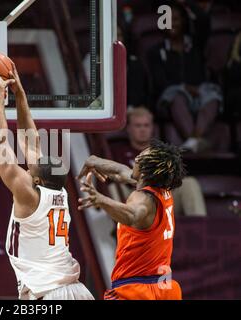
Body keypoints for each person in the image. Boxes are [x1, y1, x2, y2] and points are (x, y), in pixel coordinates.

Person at [0, 59, 93, 300]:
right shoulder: (58, 192)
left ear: (36, 180)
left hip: (49, 294)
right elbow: (31, 141)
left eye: (31, 169)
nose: (27, 166)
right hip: (77, 291)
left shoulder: (28, 195)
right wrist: (20, 95)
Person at [77, 139, 185, 300]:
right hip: (164, 287)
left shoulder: (142, 199)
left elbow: (133, 215)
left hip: (137, 290)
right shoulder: (161, 187)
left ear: (144, 171)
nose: (136, 158)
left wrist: (101, 200)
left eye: (139, 158)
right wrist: (94, 161)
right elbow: (122, 172)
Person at [147, 0, 222, 153]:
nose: (172, 23)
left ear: (184, 21)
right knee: (176, 95)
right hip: (173, 98)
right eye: (167, 19)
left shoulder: (195, 44)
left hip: (199, 94)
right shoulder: (156, 51)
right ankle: (195, 139)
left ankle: (193, 140)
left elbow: (204, 20)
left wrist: (187, 2)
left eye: (176, 19)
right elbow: (160, 83)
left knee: (213, 94)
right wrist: (184, 87)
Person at [111, 107, 207, 217]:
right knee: (113, 188)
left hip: (161, 199)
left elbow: (173, 178)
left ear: (152, 128)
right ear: (128, 128)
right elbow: (114, 177)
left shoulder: (163, 151)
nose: (142, 129)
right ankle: (118, 231)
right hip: (133, 201)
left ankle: (200, 230)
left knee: (189, 183)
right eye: (138, 125)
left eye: (146, 125)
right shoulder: (117, 151)